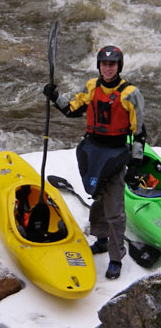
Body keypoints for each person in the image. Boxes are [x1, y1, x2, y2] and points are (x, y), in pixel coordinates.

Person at [43, 45, 146, 279]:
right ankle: (101, 240)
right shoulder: (92, 87)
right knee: (97, 197)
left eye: (112, 64)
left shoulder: (130, 93)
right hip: (93, 152)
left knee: (115, 210)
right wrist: (55, 96)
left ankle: (116, 257)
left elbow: (139, 132)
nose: (107, 69)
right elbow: (72, 110)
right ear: (99, 65)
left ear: (119, 66)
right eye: (104, 64)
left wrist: (136, 164)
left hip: (115, 154)